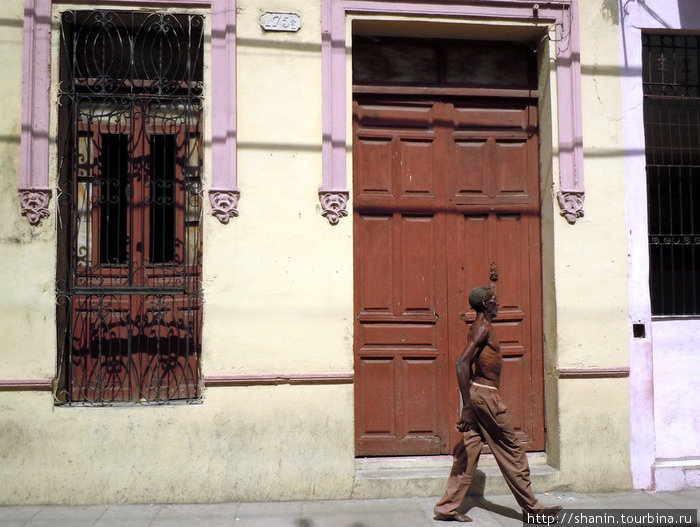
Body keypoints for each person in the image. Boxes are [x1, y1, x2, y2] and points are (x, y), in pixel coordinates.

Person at [433, 286, 563, 523]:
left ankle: (446, 508)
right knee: (512, 450)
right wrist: (468, 407)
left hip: (479, 395)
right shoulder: (482, 328)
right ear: (485, 305)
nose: (498, 304)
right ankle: (534, 511)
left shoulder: (480, 327)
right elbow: (462, 364)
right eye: (495, 301)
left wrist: (469, 402)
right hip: (486, 398)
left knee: (467, 453)